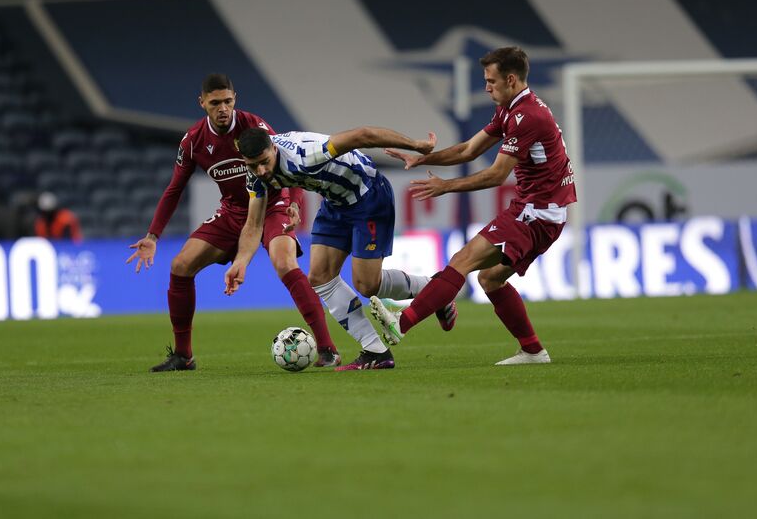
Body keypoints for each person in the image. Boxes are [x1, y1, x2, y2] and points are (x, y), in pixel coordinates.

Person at [368, 46, 577, 365]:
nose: (487, 87)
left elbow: (496, 174)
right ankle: (533, 350)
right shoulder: (511, 109)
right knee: (489, 278)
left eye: (491, 81)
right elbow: (468, 149)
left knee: (462, 260)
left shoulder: (527, 117)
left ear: (510, 79)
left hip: (538, 212)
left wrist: (445, 186)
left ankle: (402, 323)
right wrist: (422, 159)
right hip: (538, 208)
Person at [126, 73, 340, 372]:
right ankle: (183, 356)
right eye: (215, 103)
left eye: (227, 101)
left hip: (272, 204)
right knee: (180, 266)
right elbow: (174, 189)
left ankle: (328, 348)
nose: (223, 108)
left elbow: (289, 161)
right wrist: (153, 236)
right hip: (233, 211)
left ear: (235, 98)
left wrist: (292, 202)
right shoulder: (193, 141)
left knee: (283, 262)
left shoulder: (256, 126)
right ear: (202, 103)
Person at [224, 125, 458, 371]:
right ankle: (375, 352)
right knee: (320, 277)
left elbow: (363, 135)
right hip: (335, 203)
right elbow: (253, 224)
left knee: (368, 285)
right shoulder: (254, 173)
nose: (260, 171)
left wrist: (416, 145)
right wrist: (240, 262)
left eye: (264, 162)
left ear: (273, 148)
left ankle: (437, 291)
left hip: (368, 196)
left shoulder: (307, 153)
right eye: (253, 165)